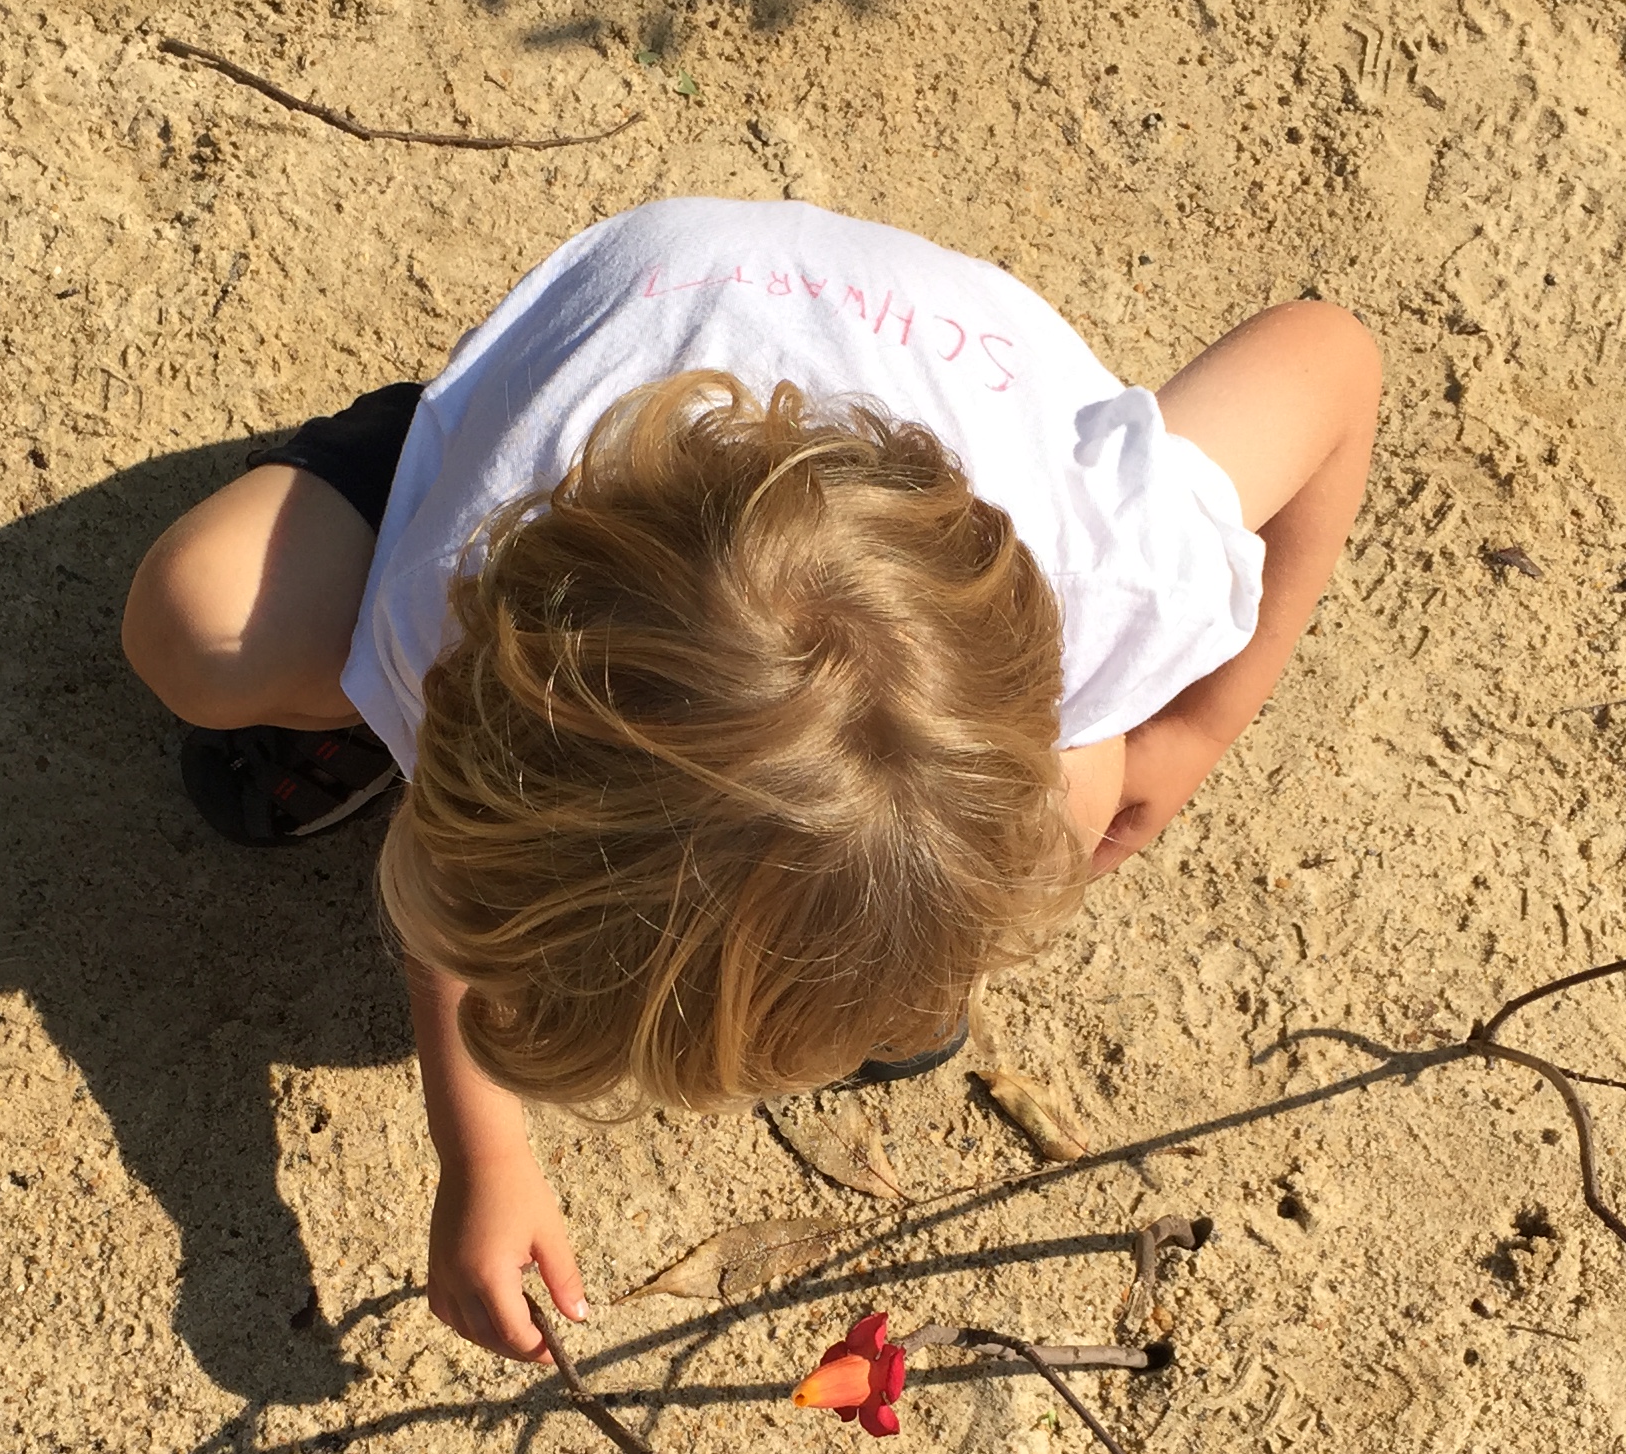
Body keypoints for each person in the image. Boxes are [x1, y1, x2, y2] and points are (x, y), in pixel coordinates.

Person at [122, 197, 1379, 1363]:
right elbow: (471, 888)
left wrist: (1189, 737)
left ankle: (908, 921)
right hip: (571, 383)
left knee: (1086, 791)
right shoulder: (446, 619)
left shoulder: (1116, 558)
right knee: (203, 624)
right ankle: (390, 507)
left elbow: (1331, 365)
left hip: (899, 396)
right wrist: (480, 1146)